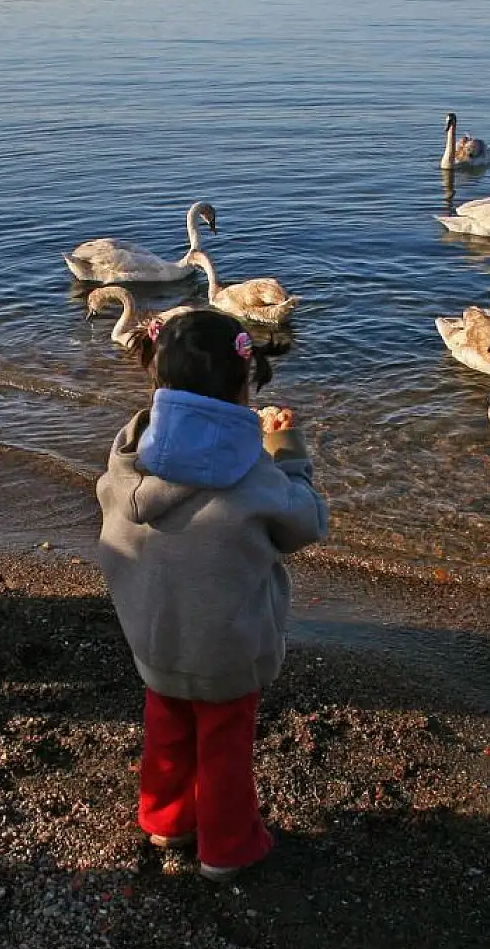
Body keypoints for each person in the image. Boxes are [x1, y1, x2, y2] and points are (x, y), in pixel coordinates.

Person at [95, 310, 329, 880]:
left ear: (157, 384)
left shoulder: (128, 462)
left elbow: (154, 436)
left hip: (155, 638)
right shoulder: (255, 475)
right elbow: (306, 524)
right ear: (242, 387)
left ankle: (166, 821)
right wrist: (287, 451)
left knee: (168, 727)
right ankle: (228, 848)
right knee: (223, 747)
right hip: (227, 647)